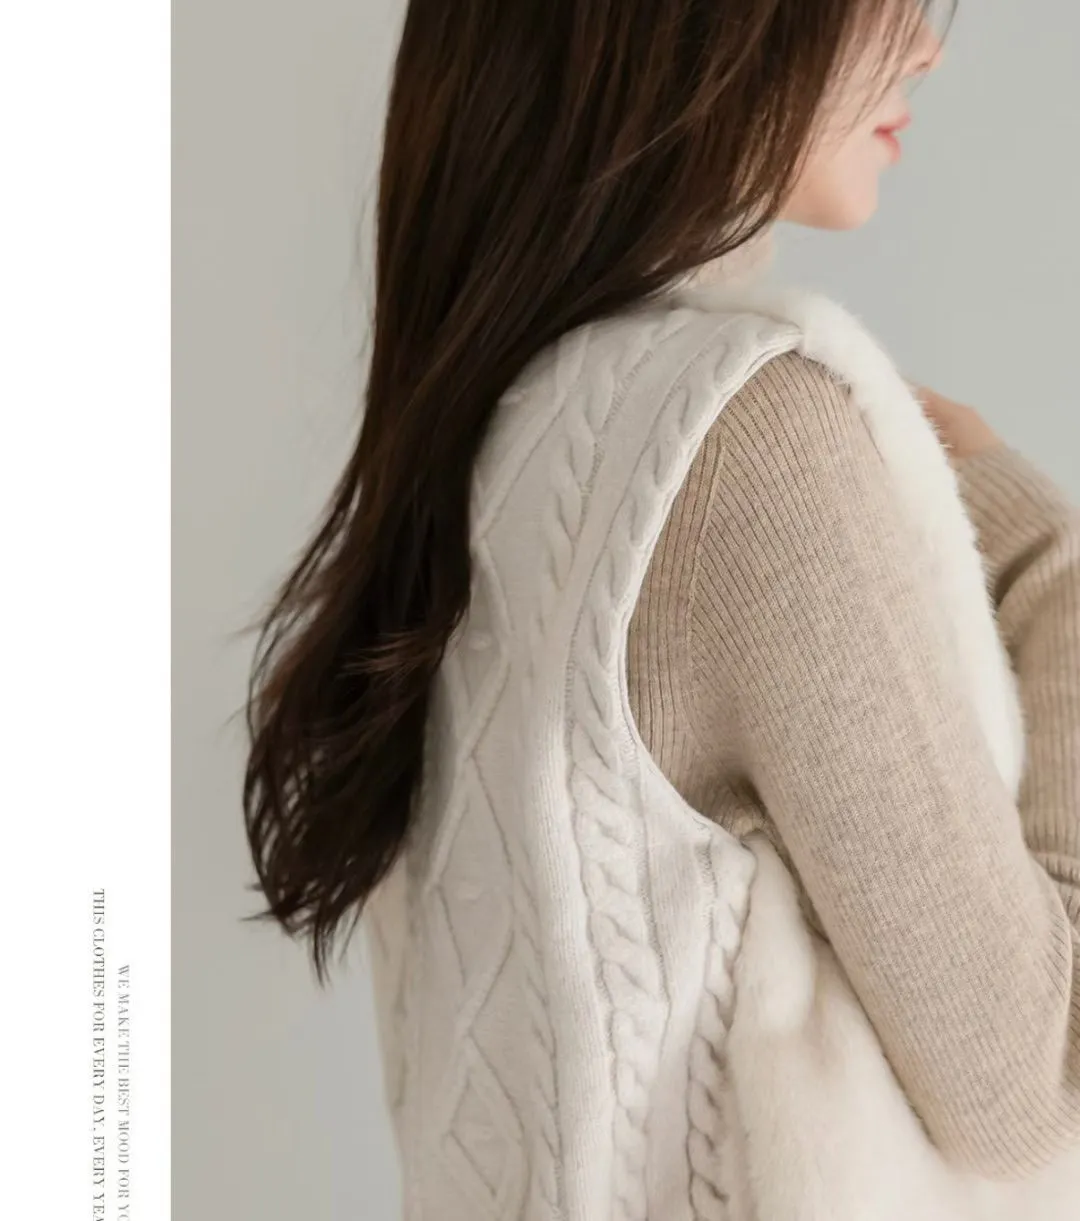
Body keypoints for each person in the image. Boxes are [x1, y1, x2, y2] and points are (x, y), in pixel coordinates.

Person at [239, 1, 1080, 1214]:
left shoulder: (494, 429)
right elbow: (1029, 1083)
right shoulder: (749, 445)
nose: (926, 44)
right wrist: (1049, 556)